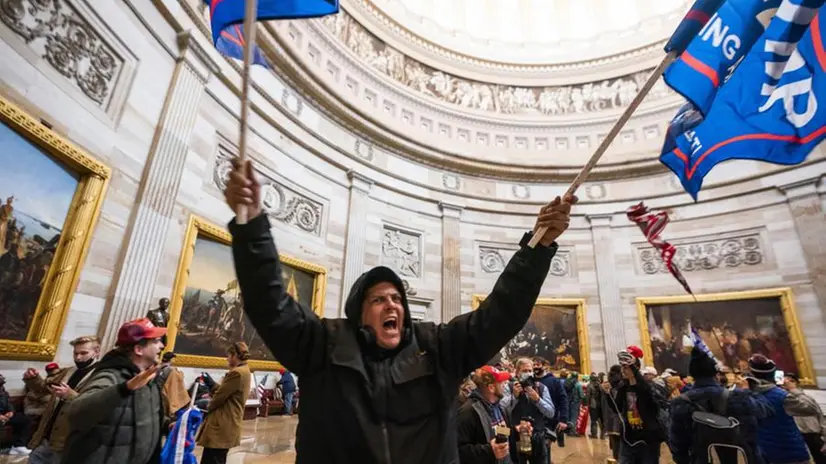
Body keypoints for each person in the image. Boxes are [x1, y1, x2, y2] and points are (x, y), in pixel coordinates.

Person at [223, 158, 577, 463]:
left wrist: (538, 246)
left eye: (396, 298)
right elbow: (271, 305)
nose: (391, 304)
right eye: (378, 299)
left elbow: (500, 313)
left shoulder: (438, 347)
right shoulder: (324, 345)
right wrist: (251, 225)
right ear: (359, 313)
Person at [61, 318, 167, 464]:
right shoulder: (111, 375)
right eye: (155, 341)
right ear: (139, 349)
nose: (161, 346)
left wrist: (168, 425)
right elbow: (77, 412)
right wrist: (124, 388)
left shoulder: (148, 377)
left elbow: (144, 414)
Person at [669, 347, 763, 464]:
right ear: (716, 374)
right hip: (739, 458)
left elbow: (677, 443)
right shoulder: (738, 397)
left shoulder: (680, 403)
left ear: (692, 375)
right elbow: (754, 430)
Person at [27, 335, 101, 464]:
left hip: (68, 440)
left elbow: (96, 404)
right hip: (47, 435)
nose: (78, 357)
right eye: (75, 353)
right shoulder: (68, 372)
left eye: (84, 353)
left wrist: (70, 395)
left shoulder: (101, 375)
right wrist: (33, 379)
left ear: (96, 351)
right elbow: (45, 388)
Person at [748, 354, 820, 464]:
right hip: (790, 452)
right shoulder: (781, 396)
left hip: (765, 452)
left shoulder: (747, 395)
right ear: (773, 375)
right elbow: (812, 408)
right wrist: (793, 389)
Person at [457, 366, 532, 463]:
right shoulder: (468, 412)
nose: (505, 385)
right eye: (501, 382)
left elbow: (500, 432)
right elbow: (458, 450)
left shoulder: (500, 407)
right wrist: (489, 450)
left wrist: (516, 431)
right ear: (491, 388)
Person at [196, 341, 252, 464]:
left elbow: (219, 398)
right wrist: (211, 384)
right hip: (228, 423)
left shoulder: (236, 373)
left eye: (228, 356)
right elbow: (225, 391)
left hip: (222, 425)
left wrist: (206, 407)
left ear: (235, 355)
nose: (227, 359)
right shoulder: (245, 370)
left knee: (213, 460)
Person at [609, 348, 665, 464]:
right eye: (622, 368)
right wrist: (607, 394)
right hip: (629, 438)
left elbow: (649, 401)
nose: (623, 371)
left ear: (634, 369)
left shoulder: (647, 387)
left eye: (626, 368)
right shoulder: (623, 387)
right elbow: (616, 408)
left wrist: (634, 370)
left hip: (647, 439)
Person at [508, 358, 555, 463]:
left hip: (537, 436)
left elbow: (551, 412)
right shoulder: (509, 387)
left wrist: (538, 400)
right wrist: (514, 397)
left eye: (530, 371)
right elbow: (502, 410)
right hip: (516, 436)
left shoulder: (541, 388)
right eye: (524, 371)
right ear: (517, 372)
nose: (528, 373)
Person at [782, 373, 826, 464]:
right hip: (798, 437)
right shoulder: (784, 400)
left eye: (791, 381)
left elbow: (821, 418)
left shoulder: (806, 398)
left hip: (815, 436)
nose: (788, 383)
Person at [586, 372, 604, 439]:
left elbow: (588, 396)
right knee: (601, 420)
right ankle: (603, 435)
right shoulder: (600, 385)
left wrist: (586, 404)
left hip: (593, 405)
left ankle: (594, 435)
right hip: (600, 405)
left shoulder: (589, 385)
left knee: (593, 420)